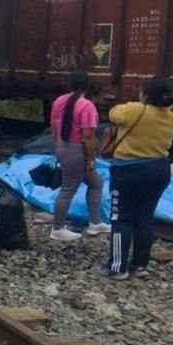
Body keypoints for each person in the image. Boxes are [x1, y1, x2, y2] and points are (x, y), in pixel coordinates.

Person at [98, 76, 173, 280]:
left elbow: (113, 113)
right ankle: (140, 265)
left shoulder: (135, 110)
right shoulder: (171, 114)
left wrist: (136, 103)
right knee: (145, 217)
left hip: (129, 171)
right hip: (160, 169)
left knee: (120, 217)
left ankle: (117, 267)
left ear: (147, 94)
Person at [49, 71, 110, 241]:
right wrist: (91, 158)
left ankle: (96, 223)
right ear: (87, 86)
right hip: (77, 150)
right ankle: (58, 228)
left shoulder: (59, 101)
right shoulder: (87, 105)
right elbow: (88, 136)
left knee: (96, 182)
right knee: (68, 189)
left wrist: (58, 145)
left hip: (63, 146)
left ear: (69, 85)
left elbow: (53, 126)